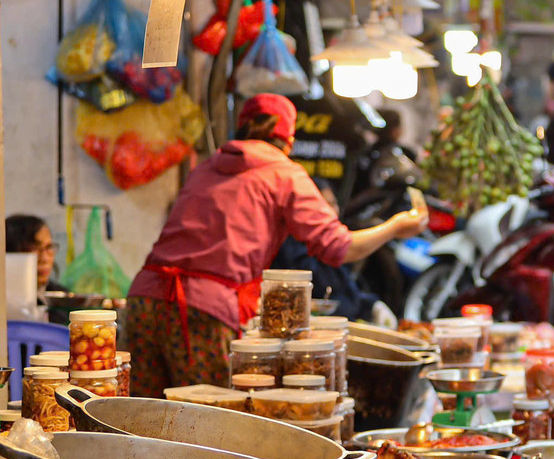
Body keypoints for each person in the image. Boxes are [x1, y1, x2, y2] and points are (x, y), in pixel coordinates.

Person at [126, 93, 427, 396]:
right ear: (290, 137)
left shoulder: (206, 167)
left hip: (144, 299)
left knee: (143, 419)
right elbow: (340, 248)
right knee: (204, 421)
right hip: (200, 313)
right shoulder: (284, 173)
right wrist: (396, 226)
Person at [269, 179, 391, 324]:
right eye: (325, 206)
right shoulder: (291, 249)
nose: (333, 211)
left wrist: (371, 305)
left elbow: (346, 292)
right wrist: (396, 227)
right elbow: (325, 294)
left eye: (334, 204)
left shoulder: (330, 246)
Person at [5, 215, 66, 322]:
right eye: (34, 249)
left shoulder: (61, 299)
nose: (45, 258)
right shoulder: (6, 304)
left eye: (48, 247)